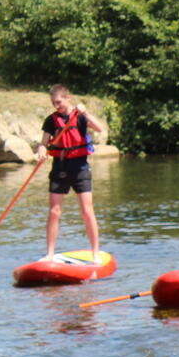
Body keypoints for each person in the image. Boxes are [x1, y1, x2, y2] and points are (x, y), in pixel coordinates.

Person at [38, 85, 106, 259]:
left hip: (80, 167)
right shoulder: (51, 120)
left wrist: (86, 113)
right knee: (54, 211)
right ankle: (50, 254)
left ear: (68, 98)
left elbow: (99, 128)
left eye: (59, 102)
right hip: (60, 167)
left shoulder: (80, 117)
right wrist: (40, 151)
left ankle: (95, 253)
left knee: (87, 210)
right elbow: (43, 143)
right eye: (53, 103)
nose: (56, 106)